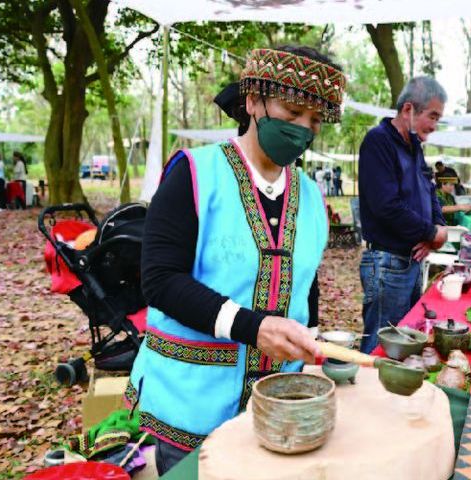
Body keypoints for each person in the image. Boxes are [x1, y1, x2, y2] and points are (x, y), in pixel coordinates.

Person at [129, 45, 345, 475]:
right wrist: (252, 327)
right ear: (252, 101)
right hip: (192, 401)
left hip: (282, 402)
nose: (303, 128)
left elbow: (306, 280)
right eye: (292, 111)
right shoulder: (193, 173)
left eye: (315, 120)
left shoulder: (311, 196)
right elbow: (159, 279)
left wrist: (314, 351)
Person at [358, 76, 448, 353]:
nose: (434, 126)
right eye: (432, 116)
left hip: (411, 261)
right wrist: (431, 233)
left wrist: (437, 229)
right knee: (381, 345)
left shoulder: (415, 147)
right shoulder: (378, 141)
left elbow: (430, 190)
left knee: (405, 341)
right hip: (387, 264)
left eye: (438, 118)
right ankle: (368, 396)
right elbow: (387, 206)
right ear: (408, 109)